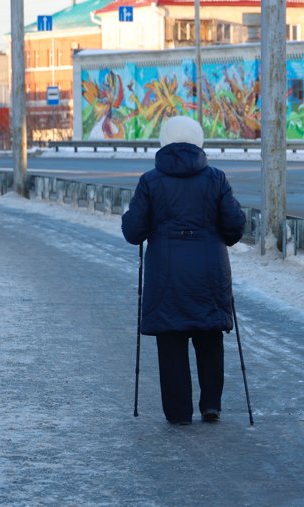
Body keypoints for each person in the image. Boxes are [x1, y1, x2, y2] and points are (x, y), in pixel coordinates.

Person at [122, 115, 246, 425]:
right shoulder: (216, 179)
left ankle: (178, 412)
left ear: (163, 141)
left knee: (171, 338)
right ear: (199, 141)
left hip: (166, 274)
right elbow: (234, 229)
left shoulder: (150, 181)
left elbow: (133, 232)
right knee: (209, 335)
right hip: (209, 272)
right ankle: (211, 404)